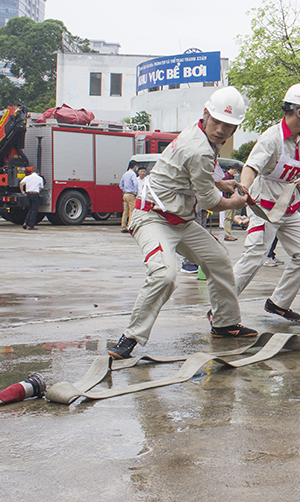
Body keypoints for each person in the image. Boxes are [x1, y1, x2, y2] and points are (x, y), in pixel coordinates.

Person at [106, 86, 255, 360]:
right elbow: (211, 202)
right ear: (206, 114)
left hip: (181, 220)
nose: (221, 130)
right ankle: (130, 337)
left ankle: (224, 324)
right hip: (153, 217)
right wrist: (235, 203)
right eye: (217, 121)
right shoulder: (200, 148)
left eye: (229, 125)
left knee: (219, 260)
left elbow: (187, 177)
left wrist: (220, 182)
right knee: (164, 274)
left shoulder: (200, 135)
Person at [232, 83, 300, 321]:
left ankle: (278, 303)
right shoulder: (272, 138)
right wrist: (244, 192)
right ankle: (221, 308)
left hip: (290, 210)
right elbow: (251, 167)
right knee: (254, 257)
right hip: (265, 209)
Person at [219, 165, 240, 241]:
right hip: (228, 199)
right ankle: (227, 234)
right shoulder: (225, 176)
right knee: (228, 217)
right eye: (237, 172)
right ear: (234, 170)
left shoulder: (231, 177)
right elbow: (224, 187)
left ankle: (229, 233)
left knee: (231, 217)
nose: (237, 174)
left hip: (232, 199)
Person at [120, 160, 139, 232]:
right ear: (134, 166)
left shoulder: (125, 174)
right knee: (132, 210)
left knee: (125, 211)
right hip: (131, 194)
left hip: (125, 194)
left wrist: (124, 190)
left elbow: (121, 184)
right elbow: (135, 184)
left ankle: (123, 226)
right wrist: (135, 192)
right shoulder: (133, 174)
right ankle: (130, 225)